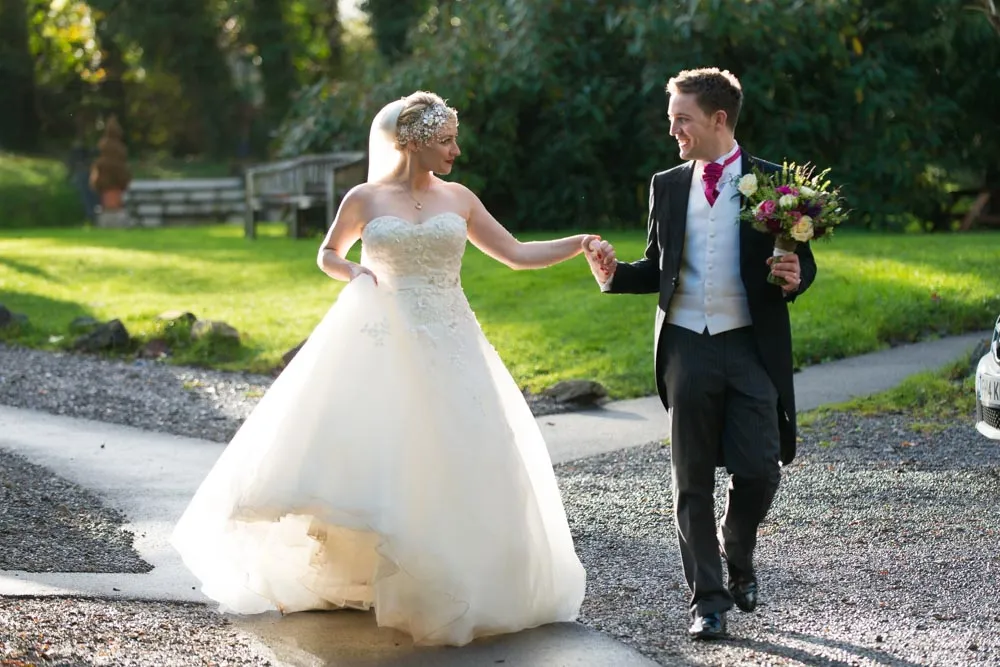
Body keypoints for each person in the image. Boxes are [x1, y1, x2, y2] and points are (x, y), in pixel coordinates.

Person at [171, 91, 590, 647]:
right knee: (381, 456)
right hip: (382, 338)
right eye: (445, 141)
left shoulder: (460, 198)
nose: (455, 150)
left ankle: (453, 579)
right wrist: (351, 272)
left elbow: (514, 253)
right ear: (414, 142)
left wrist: (580, 244)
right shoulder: (365, 199)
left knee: (455, 453)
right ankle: (370, 572)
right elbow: (327, 252)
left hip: (449, 340)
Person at [582, 68, 816, 640]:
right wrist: (614, 275)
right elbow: (658, 266)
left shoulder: (776, 183)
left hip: (749, 345)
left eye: (681, 119)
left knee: (760, 468)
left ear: (718, 119)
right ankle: (707, 601)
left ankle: (737, 545)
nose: (673, 131)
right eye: (671, 120)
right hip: (686, 344)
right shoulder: (666, 184)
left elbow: (801, 260)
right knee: (690, 479)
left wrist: (794, 275)